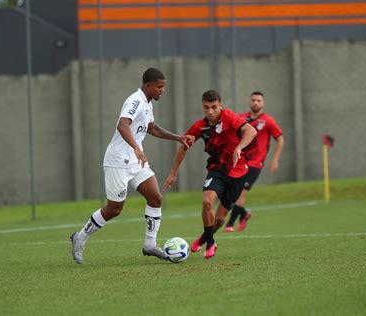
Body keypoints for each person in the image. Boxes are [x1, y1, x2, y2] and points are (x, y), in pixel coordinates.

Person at [70, 67, 194, 264]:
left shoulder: (147, 103)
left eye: (164, 87)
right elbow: (122, 125)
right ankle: (81, 236)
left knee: (155, 198)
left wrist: (178, 138)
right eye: (159, 87)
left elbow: (151, 128)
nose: (162, 90)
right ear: (148, 85)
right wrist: (136, 147)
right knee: (114, 209)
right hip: (118, 161)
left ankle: (150, 245)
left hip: (136, 161)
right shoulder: (135, 101)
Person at [163, 90, 257, 259]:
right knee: (207, 202)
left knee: (220, 220)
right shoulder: (200, 126)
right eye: (207, 108)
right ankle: (211, 241)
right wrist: (173, 173)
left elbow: (251, 131)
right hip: (217, 170)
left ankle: (204, 237)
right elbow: (184, 146)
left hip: (238, 172)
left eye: (214, 107)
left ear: (220, 106)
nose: (211, 112)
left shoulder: (228, 116)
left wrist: (239, 148)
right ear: (203, 107)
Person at [224, 91, 284, 232]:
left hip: (255, 163)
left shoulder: (268, 121)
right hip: (240, 161)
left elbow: (280, 139)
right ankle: (244, 213)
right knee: (231, 190)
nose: (255, 102)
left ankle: (230, 224)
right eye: (253, 100)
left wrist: (275, 159)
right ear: (249, 102)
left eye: (258, 100)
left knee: (241, 191)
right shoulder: (241, 118)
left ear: (263, 103)